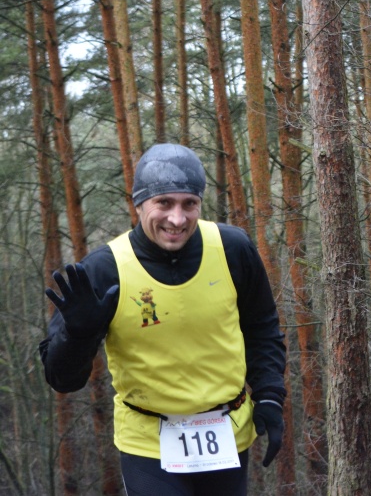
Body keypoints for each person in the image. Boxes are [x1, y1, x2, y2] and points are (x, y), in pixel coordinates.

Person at [39, 143, 286, 495]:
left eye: (189, 204)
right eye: (164, 203)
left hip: (225, 432)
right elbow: (62, 379)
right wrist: (77, 336)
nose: (177, 219)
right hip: (148, 442)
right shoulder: (104, 270)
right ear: (139, 204)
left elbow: (262, 328)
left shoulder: (232, 248)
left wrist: (270, 396)